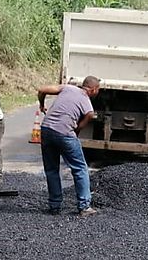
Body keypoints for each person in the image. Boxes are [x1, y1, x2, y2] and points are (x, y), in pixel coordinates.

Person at [37, 76, 101, 217]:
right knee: (80, 169)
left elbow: (42, 90)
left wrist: (41, 104)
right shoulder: (86, 100)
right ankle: (84, 206)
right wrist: (77, 130)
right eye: (98, 90)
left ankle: (54, 206)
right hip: (64, 133)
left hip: (46, 129)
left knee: (52, 169)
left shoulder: (67, 87)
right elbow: (90, 115)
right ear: (93, 89)